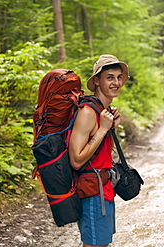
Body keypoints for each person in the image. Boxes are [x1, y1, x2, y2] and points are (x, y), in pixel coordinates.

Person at [69, 54, 129, 247]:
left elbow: (101, 153)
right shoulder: (87, 112)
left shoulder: (102, 111)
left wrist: (111, 127)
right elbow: (76, 160)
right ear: (96, 80)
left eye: (119, 77)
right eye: (110, 77)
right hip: (93, 193)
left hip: (104, 188)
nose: (116, 82)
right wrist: (104, 128)